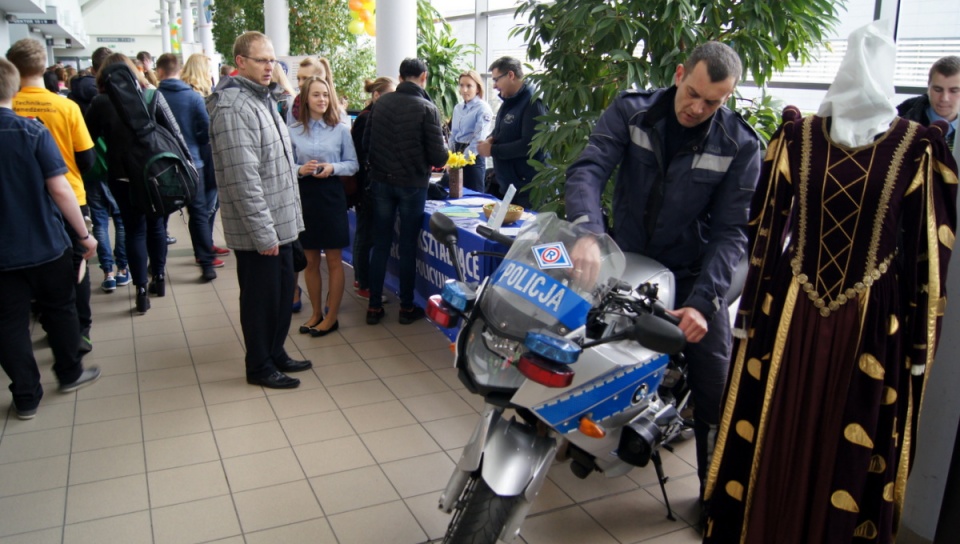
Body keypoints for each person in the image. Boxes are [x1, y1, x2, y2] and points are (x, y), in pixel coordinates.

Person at [703, 22, 957, 543]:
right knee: (777, 421)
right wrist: (748, 305)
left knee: (849, 431)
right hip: (791, 304)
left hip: (872, 316)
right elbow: (766, 225)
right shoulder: (799, 135)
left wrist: (918, 339)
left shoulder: (916, 148)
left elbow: (926, 254)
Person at [564, 41, 761, 507]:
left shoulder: (741, 144)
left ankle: (714, 492)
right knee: (573, 333)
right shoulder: (632, 112)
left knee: (713, 368)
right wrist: (589, 233)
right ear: (679, 73)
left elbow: (732, 234)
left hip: (694, 271)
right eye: (693, 92)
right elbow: (589, 169)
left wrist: (704, 302)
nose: (698, 107)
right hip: (627, 257)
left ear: (727, 97)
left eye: (713, 101)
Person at [206, 31, 310, 389]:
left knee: (282, 294)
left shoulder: (261, 98)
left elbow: (275, 161)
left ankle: (276, 351)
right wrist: (264, 234)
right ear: (240, 63)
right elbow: (243, 179)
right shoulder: (234, 107)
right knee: (261, 301)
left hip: (282, 222)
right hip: (261, 230)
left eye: (273, 60)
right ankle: (259, 365)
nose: (271, 67)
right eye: (262, 61)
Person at [0, 57, 101, 420]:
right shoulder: (31, 131)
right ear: (13, 87)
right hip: (44, 242)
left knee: (8, 324)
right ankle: (69, 372)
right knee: (60, 309)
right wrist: (84, 235)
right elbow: (60, 189)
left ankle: (26, 395)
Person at [85, 54, 173, 314]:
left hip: (121, 176)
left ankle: (141, 290)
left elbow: (87, 140)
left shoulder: (100, 102)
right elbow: (172, 131)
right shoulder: (152, 96)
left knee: (133, 230)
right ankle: (159, 278)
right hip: (154, 175)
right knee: (156, 226)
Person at [362, 58, 448, 325]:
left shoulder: (382, 103)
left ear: (400, 78)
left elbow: (367, 144)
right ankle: (407, 307)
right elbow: (439, 157)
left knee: (382, 243)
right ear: (424, 76)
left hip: (381, 183)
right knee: (408, 246)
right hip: (412, 186)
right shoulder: (428, 108)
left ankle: (374, 306)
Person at [289, 76, 358, 337]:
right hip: (305, 194)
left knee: (333, 259)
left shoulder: (340, 129)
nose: (322, 100)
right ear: (305, 98)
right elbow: (285, 165)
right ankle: (316, 312)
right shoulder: (293, 130)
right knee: (309, 261)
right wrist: (299, 169)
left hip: (331, 194)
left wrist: (332, 167)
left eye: (325, 95)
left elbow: (352, 164)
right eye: (316, 95)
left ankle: (331, 316)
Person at [155, 53, 219, 282]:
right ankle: (206, 263)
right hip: (194, 164)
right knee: (199, 214)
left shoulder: (153, 97)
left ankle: (158, 269)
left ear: (159, 72)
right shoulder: (193, 98)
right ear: (178, 71)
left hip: (162, 165)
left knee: (159, 216)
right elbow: (205, 132)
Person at [477, 56, 547, 209]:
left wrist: (493, 150)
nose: (494, 86)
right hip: (510, 186)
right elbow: (501, 130)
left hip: (528, 189)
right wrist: (491, 139)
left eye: (496, 80)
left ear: (510, 75)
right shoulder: (508, 101)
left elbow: (530, 145)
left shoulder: (533, 103)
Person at [351, 76, 396, 299]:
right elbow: (361, 156)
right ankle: (363, 282)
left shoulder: (378, 116)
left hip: (373, 185)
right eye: (390, 95)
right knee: (365, 235)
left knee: (366, 234)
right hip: (366, 187)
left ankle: (363, 278)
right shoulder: (365, 119)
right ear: (377, 95)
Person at [181, 53, 229, 258]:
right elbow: (203, 130)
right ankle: (203, 250)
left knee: (209, 205)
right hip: (201, 159)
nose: (211, 74)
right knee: (204, 207)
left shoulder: (194, 94)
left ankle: (206, 244)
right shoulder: (195, 97)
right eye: (209, 70)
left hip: (202, 157)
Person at [897, 55, 959, 155]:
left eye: (954, 91)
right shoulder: (899, 125)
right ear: (928, 87)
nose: (944, 98)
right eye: (937, 90)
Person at [449, 69, 493, 192]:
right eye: (462, 85)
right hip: (457, 153)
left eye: (469, 86)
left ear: (477, 88)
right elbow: (454, 134)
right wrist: (451, 156)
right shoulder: (458, 108)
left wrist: (461, 160)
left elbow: (478, 139)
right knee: (453, 194)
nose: (464, 90)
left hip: (473, 156)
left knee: (473, 197)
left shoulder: (483, 108)